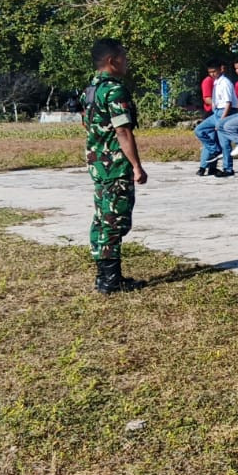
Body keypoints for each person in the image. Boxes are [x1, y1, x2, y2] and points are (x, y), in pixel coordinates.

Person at [82, 39, 148, 293]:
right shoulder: (114, 91)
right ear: (112, 60)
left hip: (97, 163)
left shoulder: (90, 90)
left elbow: (86, 124)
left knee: (102, 218)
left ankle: (104, 275)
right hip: (114, 165)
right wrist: (136, 166)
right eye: (124, 56)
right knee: (114, 220)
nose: (127, 61)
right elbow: (122, 131)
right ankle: (111, 280)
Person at [194, 60, 237, 177]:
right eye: (210, 72)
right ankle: (214, 150)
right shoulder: (216, 82)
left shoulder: (225, 83)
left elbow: (228, 103)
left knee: (225, 143)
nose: (212, 74)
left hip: (225, 112)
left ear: (220, 69)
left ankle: (228, 168)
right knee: (199, 130)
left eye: (214, 71)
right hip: (216, 112)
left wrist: (222, 121)